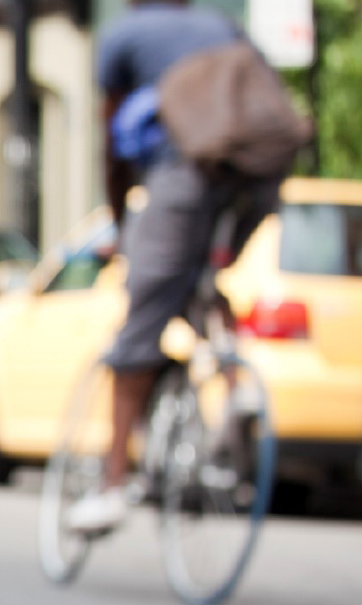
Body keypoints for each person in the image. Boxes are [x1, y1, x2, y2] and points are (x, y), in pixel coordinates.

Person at [68, 0, 282, 534]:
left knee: (140, 325)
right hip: (261, 174)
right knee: (203, 277)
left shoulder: (124, 35)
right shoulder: (222, 26)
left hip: (188, 171)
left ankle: (112, 487)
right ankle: (237, 383)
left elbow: (112, 146)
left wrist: (122, 228)